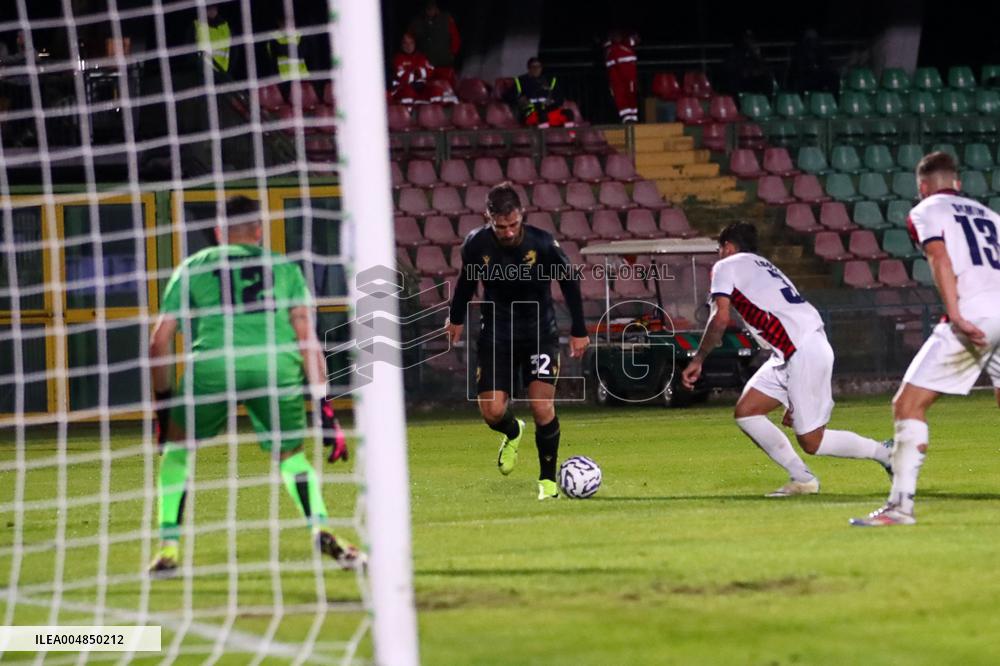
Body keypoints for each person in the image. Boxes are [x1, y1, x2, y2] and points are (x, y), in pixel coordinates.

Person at [146, 196, 358, 576]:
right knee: (291, 456)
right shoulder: (285, 269)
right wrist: (326, 412)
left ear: (217, 232)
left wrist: (164, 409)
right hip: (275, 368)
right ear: (259, 230)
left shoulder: (194, 266)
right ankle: (322, 527)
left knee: (176, 451)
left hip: (214, 365)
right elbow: (307, 340)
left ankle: (169, 549)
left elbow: (159, 342)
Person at [682, 222, 892, 497]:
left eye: (719, 249)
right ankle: (802, 478)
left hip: (801, 350)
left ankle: (885, 453)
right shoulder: (764, 266)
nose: (719, 255)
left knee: (812, 441)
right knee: (748, 412)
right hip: (793, 351)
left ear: (728, 247)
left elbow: (720, 318)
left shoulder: (726, 265)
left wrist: (699, 358)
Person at [851, 152, 1000, 526]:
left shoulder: (926, 210)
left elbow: (939, 257)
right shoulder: (992, 217)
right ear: (959, 183)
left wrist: (958, 314)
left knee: (908, 404)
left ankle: (900, 507)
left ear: (922, 187)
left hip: (977, 314)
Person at [444, 183, 590, 499]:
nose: (508, 233)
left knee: (542, 406)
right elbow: (466, 283)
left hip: (540, 333)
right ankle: (513, 431)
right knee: (492, 412)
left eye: (513, 225)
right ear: (489, 217)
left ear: (521, 215)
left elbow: (570, 283)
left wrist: (579, 329)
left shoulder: (542, 243)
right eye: (501, 226)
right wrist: (455, 318)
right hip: (497, 333)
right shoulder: (475, 244)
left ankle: (548, 483)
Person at [407, 0, 460, 85]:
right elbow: (408, 39)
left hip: (444, 62)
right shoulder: (416, 22)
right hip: (424, 65)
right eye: (428, 8)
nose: (430, 11)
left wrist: (452, 53)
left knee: (445, 86)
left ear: (436, 8)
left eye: (432, 8)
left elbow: (455, 38)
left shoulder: (446, 19)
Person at [508, 57, 569, 127]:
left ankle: (570, 137)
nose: (536, 69)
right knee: (542, 115)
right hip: (531, 113)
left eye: (538, 67)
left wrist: (553, 101)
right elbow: (509, 96)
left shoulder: (550, 80)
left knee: (568, 113)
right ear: (529, 68)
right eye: (533, 67)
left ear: (541, 68)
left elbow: (560, 97)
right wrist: (520, 99)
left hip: (548, 110)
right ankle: (544, 137)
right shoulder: (521, 81)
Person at [788, 29, 838, 94]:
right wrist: (812, 67)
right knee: (800, 82)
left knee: (833, 77)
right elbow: (799, 68)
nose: (813, 41)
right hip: (804, 77)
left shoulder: (820, 49)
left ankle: (833, 100)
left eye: (815, 39)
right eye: (810, 39)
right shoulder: (800, 50)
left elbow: (825, 64)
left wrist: (818, 68)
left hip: (817, 75)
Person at [604, 30, 639, 123]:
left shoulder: (627, 44)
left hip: (629, 77)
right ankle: (627, 117)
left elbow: (636, 39)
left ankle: (632, 117)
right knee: (620, 95)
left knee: (630, 95)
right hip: (617, 78)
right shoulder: (610, 48)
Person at [391, 33, 433, 105]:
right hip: (403, 90)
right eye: (405, 43)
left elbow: (430, 72)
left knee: (435, 90)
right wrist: (418, 72)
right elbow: (402, 77)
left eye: (411, 43)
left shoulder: (421, 57)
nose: (409, 46)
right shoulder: (398, 59)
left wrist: (414, 71)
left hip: (421, 89)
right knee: (408, 92)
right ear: (401, 45)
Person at [192, 4, 231, 76]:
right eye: (209, 9)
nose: (212, 11)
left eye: (214, 9)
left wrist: (228, 70)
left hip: (222, 71)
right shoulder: (197, 24)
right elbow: (190, 46)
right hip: (204, 69)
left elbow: (232, 48)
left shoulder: (224, 25)